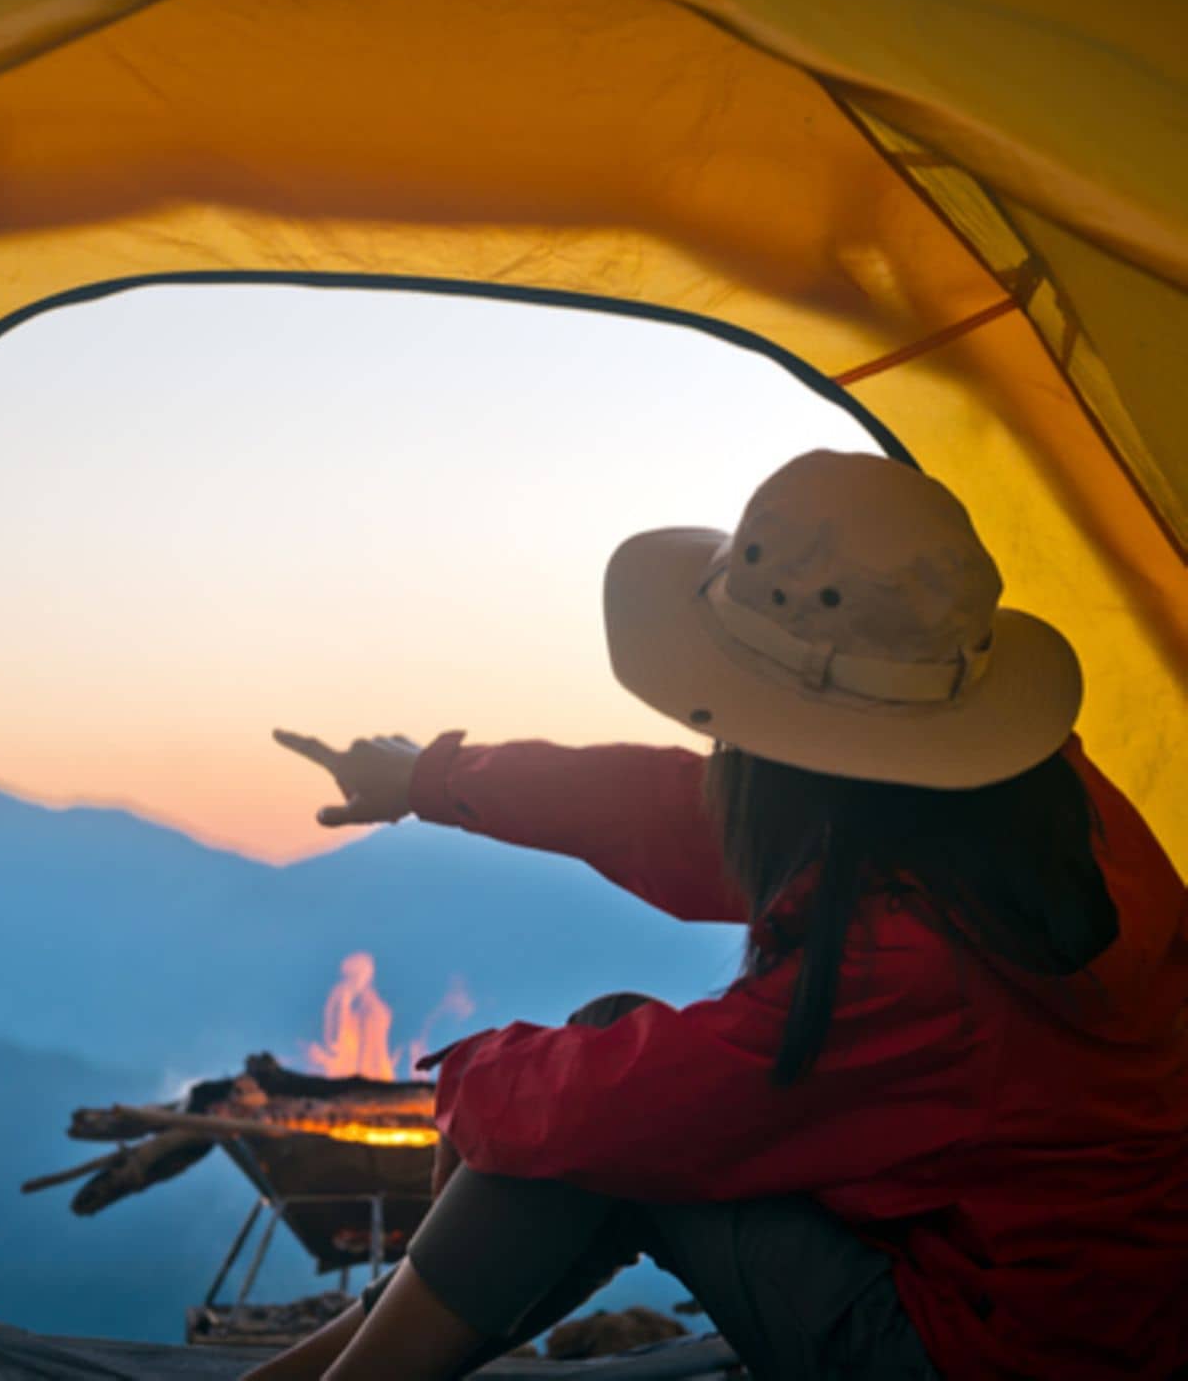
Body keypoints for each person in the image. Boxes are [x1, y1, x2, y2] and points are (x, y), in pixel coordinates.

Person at [251, 451, 1188, 1381]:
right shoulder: (1037, 815)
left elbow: (611, 1110)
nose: (718, 747)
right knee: (591, 1091)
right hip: (1083, 1303)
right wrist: (435, 778)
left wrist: (469, 1076)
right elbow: (675, 813)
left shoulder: (909, 963)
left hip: (994, 1351)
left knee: (585, 1132)